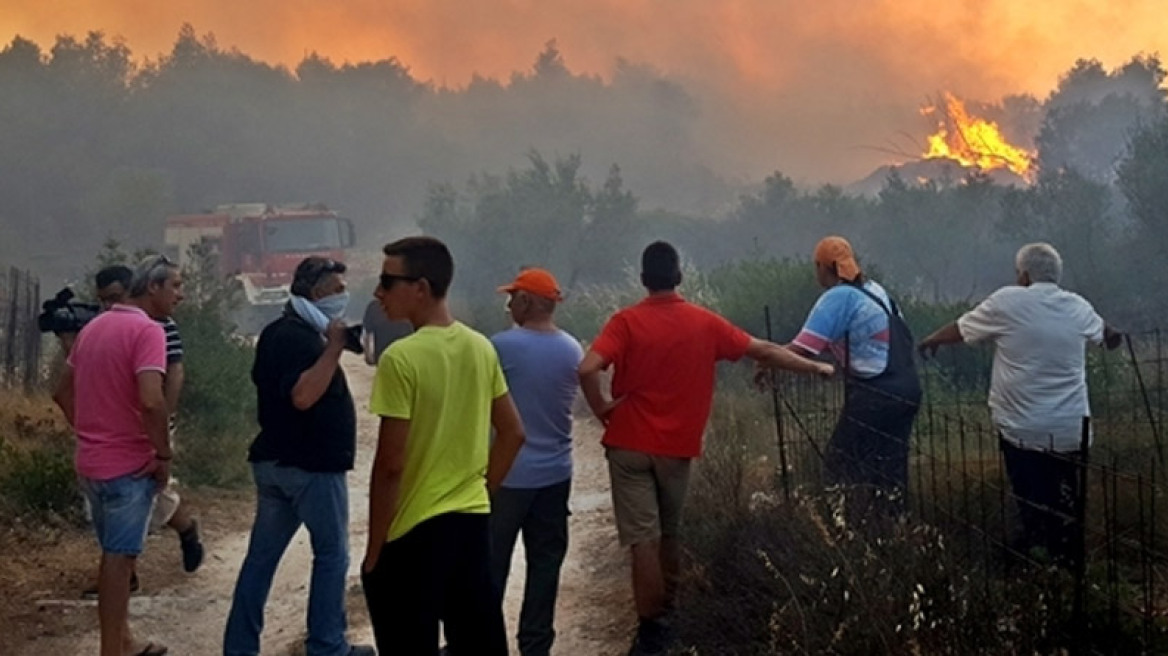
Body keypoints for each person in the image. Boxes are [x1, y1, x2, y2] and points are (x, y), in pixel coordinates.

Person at [578, 241, 833, 656]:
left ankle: (651, 634)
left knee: (642, 540)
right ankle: (671, 618)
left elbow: (587, 367)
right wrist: (815, 366)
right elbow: (763, 350)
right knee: (669, 534)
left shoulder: (624, 322)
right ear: (678, 277)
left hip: (628, 444)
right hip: (676, 448)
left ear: (644, 280)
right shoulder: (704, 323)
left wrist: (602, 408)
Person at [362, 236, 525, 655]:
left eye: (387, 281)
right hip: (470, 524)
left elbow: (390, 465)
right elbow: (513, 433)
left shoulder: (401, 359)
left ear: (420, 287)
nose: (378, 292)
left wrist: (375, 549)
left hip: (414, 532)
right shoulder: (480, 347)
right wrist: (482, 489)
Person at [918, 242, 1122, 563]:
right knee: (1067, 503)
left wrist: (932, 339)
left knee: (1032, 501)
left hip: (1024, 430)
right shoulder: (1077, 306)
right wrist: (1112, 336)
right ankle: (1068, 561)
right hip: (1072, 431)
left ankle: (1036, 560)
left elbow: (961, 329)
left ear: (1024, 276)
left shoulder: (1008, 301)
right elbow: (1108, 335)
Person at [223, 257, 375, 656]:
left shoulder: (282, 331)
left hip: (277, 463)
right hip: (309, 467)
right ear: (316, 292)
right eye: (337, 289)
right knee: (332, 555)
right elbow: (303, 396)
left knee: (261, 560)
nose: (343, 296)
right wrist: (334, 349)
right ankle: (327, 645)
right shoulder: (298, 338)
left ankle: (239, 647)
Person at [53, 255, 185, 656]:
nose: (180, 295)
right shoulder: (148, 331)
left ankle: (124, 639)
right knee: (118, 560)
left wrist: (91, 432)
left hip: (92, 463)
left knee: (116, 556)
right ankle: (112, 648)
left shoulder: (95, 327)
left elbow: (62, 391)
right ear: (152, 287)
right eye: (175, 286)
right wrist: (162, 454)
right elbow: (151, 400)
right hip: (129, 466)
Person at [79, 265, 204, 600]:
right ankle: (125, 579)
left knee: (148, 502)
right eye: (103, 300)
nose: (108, 306)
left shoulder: (157, 328)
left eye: (114, 297)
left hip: (142, 432)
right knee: (143, 505)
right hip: (123, 440)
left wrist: (165, 424)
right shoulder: (113, 326)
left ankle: (127, 576)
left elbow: (172, 376)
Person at [488, 268, 583, 656]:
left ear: (526, 301)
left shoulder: (499, 347)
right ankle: (536, 644)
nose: (509, 304)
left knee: (491, 564)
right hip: (556, 475)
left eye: (513, 297)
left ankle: (481, 641)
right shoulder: (572, 349)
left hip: (507, 476)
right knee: (545, 566)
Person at [787, 236, 921, 509]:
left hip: (876, 392)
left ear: (822, 267)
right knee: (889, 468)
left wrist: (765, 360)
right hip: (908, 389)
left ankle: (844, 521)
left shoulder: (838, 297)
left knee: (840, 461)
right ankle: (894, 523)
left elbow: (803, 348)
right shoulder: (876, 291)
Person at [361, 297, 413, 365]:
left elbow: (366, 335)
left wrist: (368, 356)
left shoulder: (374, 306)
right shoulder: (412, 305)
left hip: (384, 357)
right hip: (405, 357)